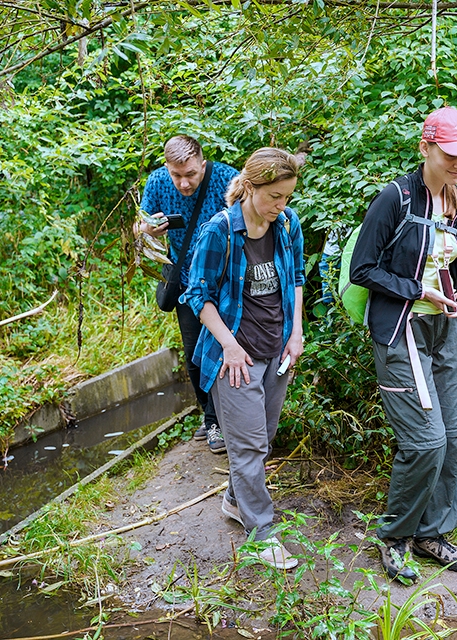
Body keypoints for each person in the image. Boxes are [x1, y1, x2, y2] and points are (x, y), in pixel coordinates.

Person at [350, 107, 457, 582]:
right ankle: (394, 536)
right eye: (451, 154)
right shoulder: (395, 198)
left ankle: (433, 533)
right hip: (402, 330)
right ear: (426, 148)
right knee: (426, 440)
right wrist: (417, 291)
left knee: (452, 439)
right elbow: (363, 269)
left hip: (447, 334)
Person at [183, 147, 304, 570]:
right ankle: (262, 533)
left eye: (287, 196)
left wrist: (297, 331)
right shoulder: (220, 230)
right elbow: (196, 295)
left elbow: (298, 278)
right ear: (250, 187)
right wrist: (229, 344)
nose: (281, 206)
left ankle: (236, 500)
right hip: (234, 357)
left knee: (262, 438)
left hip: (277, 350)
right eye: (274, 196)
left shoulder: (287, 224)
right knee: (249, 447)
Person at [136, 135, 238, 455]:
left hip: (225, 281)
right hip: (184, 282)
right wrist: (148, 229)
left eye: (190, 174)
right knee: (195, 352)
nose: (183, 183)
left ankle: (222, 417)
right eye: (176, 175)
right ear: (167, 168)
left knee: (226, 347)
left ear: (202, 165)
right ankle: (211, 418)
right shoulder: (156, 183)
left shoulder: (226, 179)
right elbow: (138, 226)